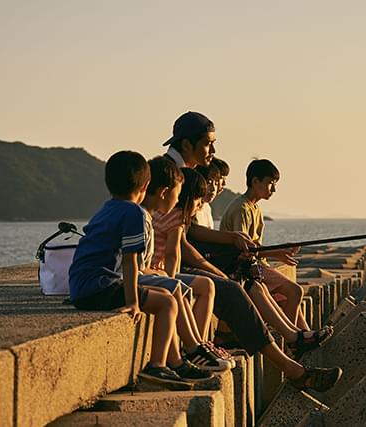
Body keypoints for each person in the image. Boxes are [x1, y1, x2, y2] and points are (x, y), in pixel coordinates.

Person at [160, 112, 342, 391]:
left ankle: (292, 342)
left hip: (180, 261)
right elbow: (180, 240)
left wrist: (232, 242)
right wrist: (218, 262)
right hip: (169, 267)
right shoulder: (173, 177)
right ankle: (291, 366)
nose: (213, 151)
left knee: (246, 279)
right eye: (209, 143)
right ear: (187, 145)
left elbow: (186, 233)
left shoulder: (183, 172)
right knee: (234, 288)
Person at [68, 151, 189, 386]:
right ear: (146, 185)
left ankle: (169, 361)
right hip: (100, 287)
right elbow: (130, 260)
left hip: (81, 286)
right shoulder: (133, 212)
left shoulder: (107, 208)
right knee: (168, 303)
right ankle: (158, 366)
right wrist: (132, 302)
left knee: (164, 294)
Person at [140, 156, 230, 373]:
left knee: (201, 286)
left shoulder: (157, 214)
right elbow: (172, 255)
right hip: (155, 270)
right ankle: (195, 348)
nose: (199, 206)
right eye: (197, 202)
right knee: (192, 288)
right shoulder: (176, 216)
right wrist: (169, 278)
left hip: (153, 270)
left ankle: (198, 345)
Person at [220, 159, 310, 331]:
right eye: (270, 183)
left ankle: (306, 336)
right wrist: (277, 253)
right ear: (255, 182)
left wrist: (279, 250)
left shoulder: (254, 208)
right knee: (295, 292)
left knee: (286, 298)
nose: (274, 189)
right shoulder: (242, 209)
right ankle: (293, 340)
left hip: (256, 266)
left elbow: (255, 247)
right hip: (241, 268)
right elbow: (245, 251)